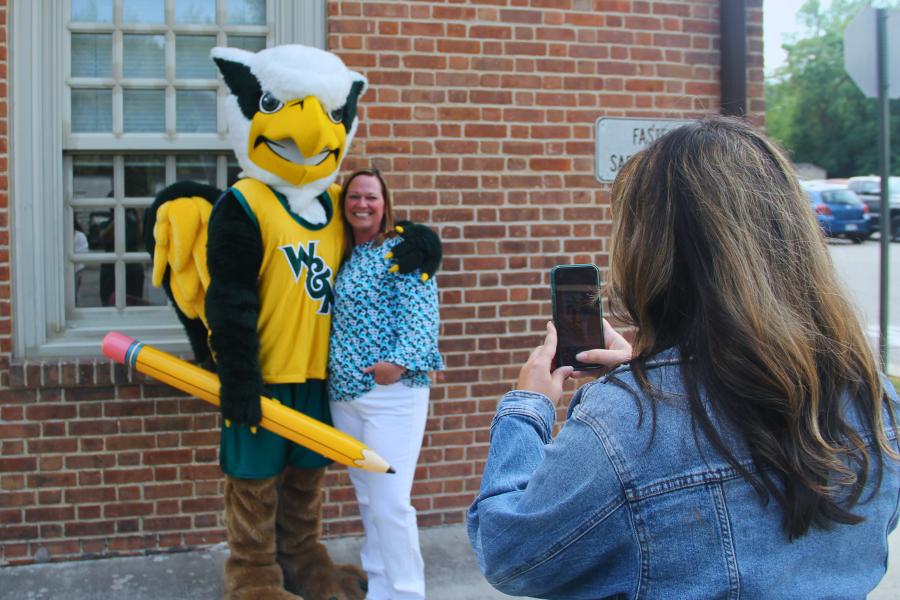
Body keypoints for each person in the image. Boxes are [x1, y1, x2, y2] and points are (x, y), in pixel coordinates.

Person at [467, 116, 900, 599]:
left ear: (651, 250)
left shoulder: (627, 423)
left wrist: (528, 409)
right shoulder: (870, 393)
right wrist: (658, 376)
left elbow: (511, 554)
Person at [328, 168, 443, 600]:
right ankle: (379, 586)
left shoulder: (402, 249)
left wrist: (396, 363)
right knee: (368, 499)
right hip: (347, 399)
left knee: (392, 503)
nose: (362, 204)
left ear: (384, 203)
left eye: (371, 197)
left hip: (392, 397)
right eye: (354, 197)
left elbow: (422, 313)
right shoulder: (345, 253)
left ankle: (407, 592)